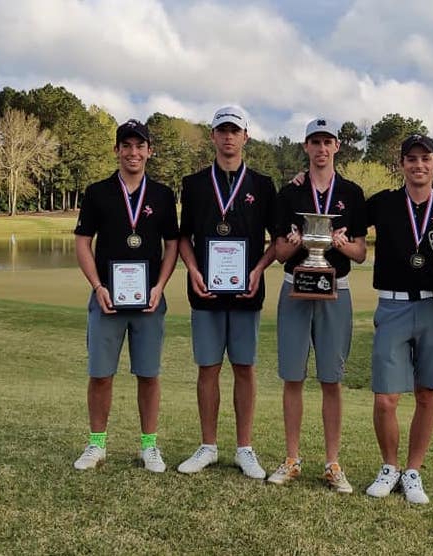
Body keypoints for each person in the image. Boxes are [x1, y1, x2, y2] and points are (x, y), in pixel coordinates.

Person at [365, 134, 433, 503]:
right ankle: (389, 466)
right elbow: (342, 212)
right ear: (401, 164)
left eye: (425, 158)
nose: (418, 165)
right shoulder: (382, 203)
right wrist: (303, 180)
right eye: (411, 159)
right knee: (386, 398)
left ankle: (413, 471)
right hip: (393, 305)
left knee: (427, 394)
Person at [73, 119, 179, 472]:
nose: (133, 153)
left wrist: (160, 286)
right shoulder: (97, 192)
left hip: (148, 301)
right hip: (107, 299)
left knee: (148, 374)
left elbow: (173, 244)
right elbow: (83, 242)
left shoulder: (163, 195)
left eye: (140, 146)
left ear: (149, 151)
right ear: (117, 150)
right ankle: (96, 444)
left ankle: (149, 445)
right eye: (126, 146)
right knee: (101, 374)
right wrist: (97, 286)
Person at [267, 118, 367, 493]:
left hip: (335, 289)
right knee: (293, 377)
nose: (321, 148)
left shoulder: (352, 193)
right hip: (296, 286)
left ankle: (332, 463)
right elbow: (279, 253)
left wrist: (339, 245)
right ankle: (292, 459)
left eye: (327, 141)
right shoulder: (289, 193)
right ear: (305, 146)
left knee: (331, 379)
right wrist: (296, 242)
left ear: (337, 146)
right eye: (315, 142)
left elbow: (359, 253)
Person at [177, 106, 277, 480]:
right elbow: (183, 238)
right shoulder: (195, 183)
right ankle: (207, 445)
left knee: (245, 368)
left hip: (247, 291)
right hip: (205, 291)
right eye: (222, 130)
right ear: (213, 136)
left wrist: (259, 269)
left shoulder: (263, 185)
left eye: (235, 131)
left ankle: (245, 449)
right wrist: (192, 269)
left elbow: (278, 239)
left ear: (246, 136)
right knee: (208, 368)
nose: (229, 137)